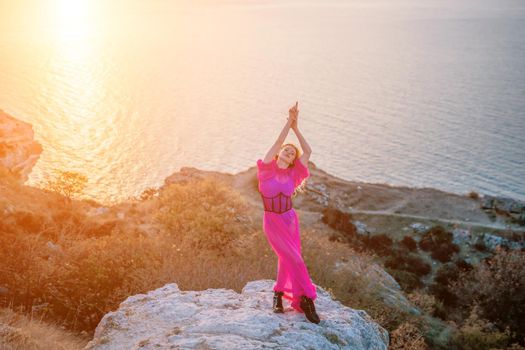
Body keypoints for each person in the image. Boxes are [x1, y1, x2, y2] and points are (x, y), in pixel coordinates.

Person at [256, 101, 320, 324]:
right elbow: (278, 141)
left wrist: (296, 128)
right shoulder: (265, 169)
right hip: (272, 221)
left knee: (287, 259)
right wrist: (288, 122)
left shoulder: (294, 176)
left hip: (290, 220)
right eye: (286, 150)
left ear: (293, 159)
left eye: (292, 153)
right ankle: (306, 299)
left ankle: (278, 295)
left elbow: (309, 151)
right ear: (279, 153)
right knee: (295, 260)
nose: (288, 152)